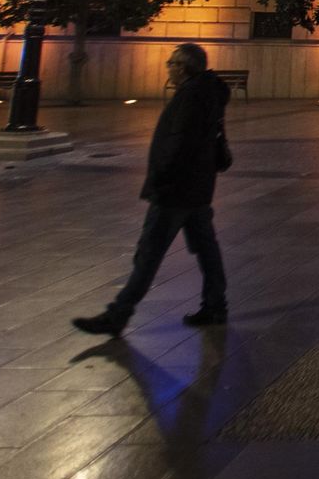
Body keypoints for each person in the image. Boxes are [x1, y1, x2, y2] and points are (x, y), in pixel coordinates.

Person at [73, 43, 232, 335]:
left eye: (171, 62)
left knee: (149, 254)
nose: (168, 67)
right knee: (207, 250)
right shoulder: (208, 92)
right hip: (197, 188)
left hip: (175, 190)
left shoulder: (191, 96)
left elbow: (178, 144)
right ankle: (215, 305)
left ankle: (118, 315)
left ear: (182, 67)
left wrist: (160, 178)